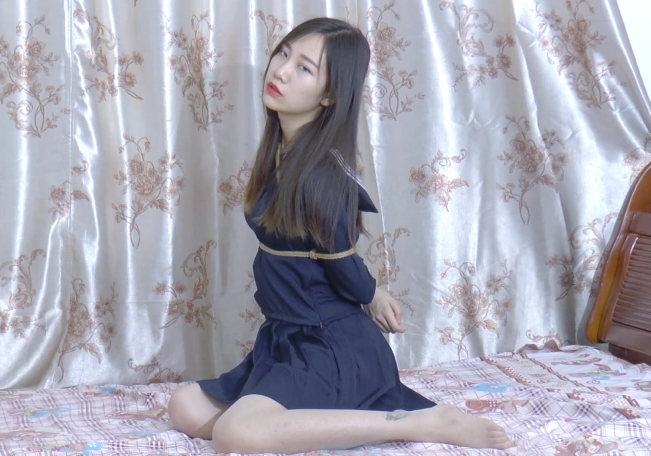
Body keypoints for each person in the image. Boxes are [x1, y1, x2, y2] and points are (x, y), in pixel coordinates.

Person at [167, 17, 516, 454]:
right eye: (284, 54)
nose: (281, 71)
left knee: (233, 435)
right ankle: (292, 421)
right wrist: (374, 293)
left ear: (330, 95)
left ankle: (412, 422)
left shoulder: (322, 176)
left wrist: (371, 293)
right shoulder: (282, 155)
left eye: (304, 68)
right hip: (285, 339)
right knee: (185, 407)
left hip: (328, 345)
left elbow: (341, 263)